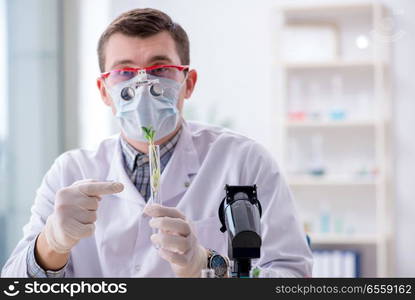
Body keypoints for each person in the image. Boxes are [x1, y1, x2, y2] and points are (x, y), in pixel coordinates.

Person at [1, 8, 312, 278]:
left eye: (160, 69)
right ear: (104, 91)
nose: (143, 84)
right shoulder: (69, 172)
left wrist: (206, 266)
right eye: (124, 71)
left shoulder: (244, 162)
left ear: (187, 83)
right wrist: (51, 244)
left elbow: (292, 277)